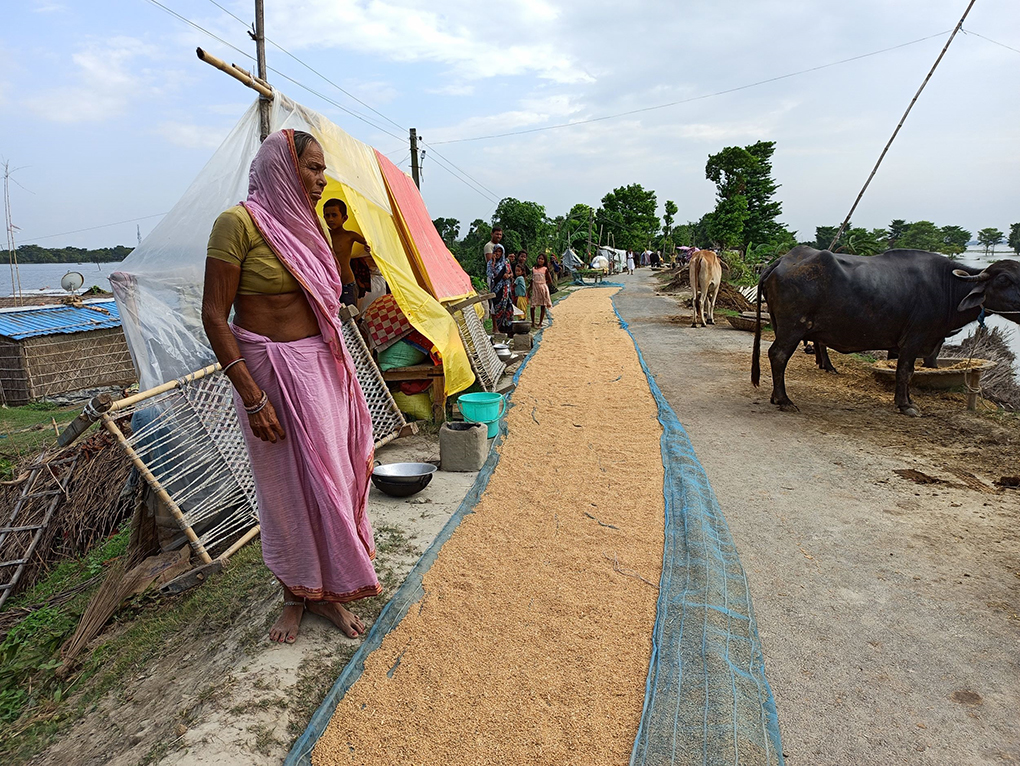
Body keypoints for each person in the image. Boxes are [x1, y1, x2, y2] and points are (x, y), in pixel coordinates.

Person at [202, 129, 378, 645]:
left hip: (317, 365)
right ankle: (295, 594)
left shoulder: (310, 227)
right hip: (267, 373)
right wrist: (252, 396)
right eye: (313, 169)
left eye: (323, 170)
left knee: (336, 472)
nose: (323, 180)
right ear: (284, 168)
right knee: (283, 486)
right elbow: (215, 316)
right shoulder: (237, 224)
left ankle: (335, 592)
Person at [323, 198, 370, 307]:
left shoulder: (349, 236)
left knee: (349, 317)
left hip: (346, 283)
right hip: (329, 285)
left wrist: (368, 247)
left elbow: (370, 243)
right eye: (327, 215)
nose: (330, 219)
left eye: (334, 215)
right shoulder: (324, 235)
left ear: (344, 218)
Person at [489, 244, 514, 333]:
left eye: (500, 251)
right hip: (497, 289)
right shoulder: (491, 263)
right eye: (496, 251)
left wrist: (508, 275)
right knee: (497, 308)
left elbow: (511, 274)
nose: (497, 253)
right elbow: (490, 275)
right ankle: (497, 328)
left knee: (508, 308)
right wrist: (493, 261)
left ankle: (508, 328)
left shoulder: (506, 262)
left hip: (506, 289)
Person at [530, 252, 553, 328]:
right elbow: (532, 279)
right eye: (539, 258)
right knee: (532, 306)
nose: (540, 260)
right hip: (535, 288)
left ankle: (540, 323)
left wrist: (543, 283)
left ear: (544, 261)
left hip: (542, 288)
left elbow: (550, 280)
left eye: (542, 259)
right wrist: (529, 288)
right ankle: (533, 322)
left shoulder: (545, 269)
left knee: (543, 305)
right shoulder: (533, 269)